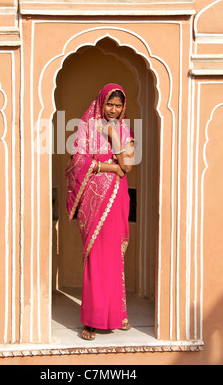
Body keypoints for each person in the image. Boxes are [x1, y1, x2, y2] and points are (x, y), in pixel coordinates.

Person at [65, 83, 135, 340]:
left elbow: (127, 166)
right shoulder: (85, 128)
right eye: (110, 104)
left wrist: (113, 135)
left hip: (116, 199)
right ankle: (91, 321)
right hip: (94, 203)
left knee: (114, 257)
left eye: (118, 105)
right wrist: (110, 168)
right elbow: (77, 162)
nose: (114, 110)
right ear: (101, 102)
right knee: (96, 259)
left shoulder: (125, 129)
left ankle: (117, 316)